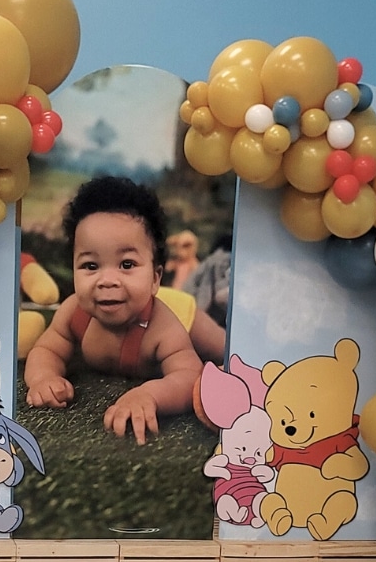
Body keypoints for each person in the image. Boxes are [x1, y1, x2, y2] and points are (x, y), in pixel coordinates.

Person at [24, 176, 226, 445]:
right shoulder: (75, 312)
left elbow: (189, 376)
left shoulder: (163, 327)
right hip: (143, 303)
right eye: (91, 266)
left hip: (183, 313)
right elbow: (46, 349)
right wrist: (43, 377)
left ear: (155, 278)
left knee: (230, 351)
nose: (107, 280)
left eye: (127, 264)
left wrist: (150, 395)